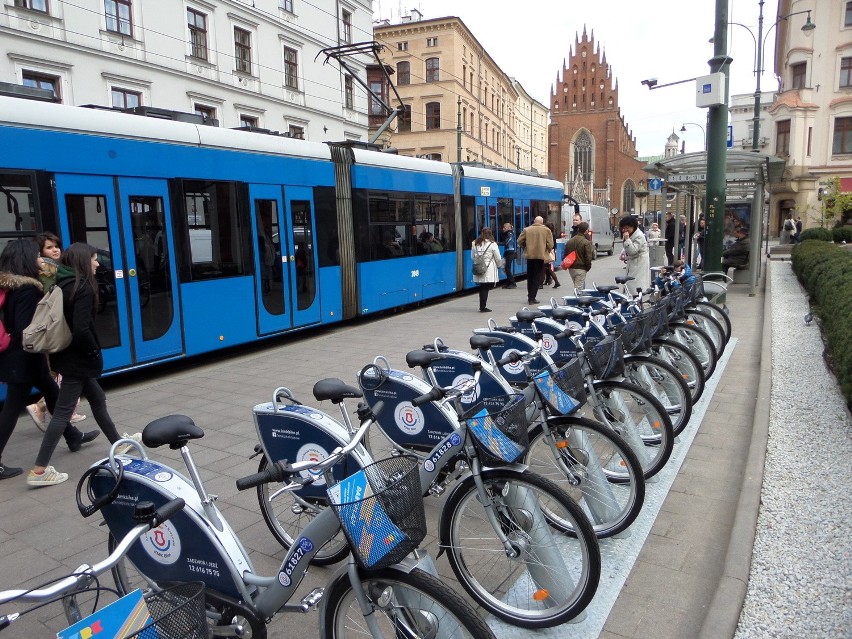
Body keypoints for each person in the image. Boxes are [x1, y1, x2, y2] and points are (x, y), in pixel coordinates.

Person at [28, 243, 140, 488]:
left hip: (65, 355)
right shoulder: (84, 288)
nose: (97, 263)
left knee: (98, 399)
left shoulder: (62, 283)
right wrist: (92, 352)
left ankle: (117, 444)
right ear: (83, 262)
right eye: (94, 259)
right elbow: (81, 328)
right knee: (61, 414)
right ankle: (39, 470)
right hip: (77, 359)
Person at [0, 240, 99, 480]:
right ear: (24, 258)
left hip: (22, 357)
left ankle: (73, 436)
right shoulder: (26, 289)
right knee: (12, 407)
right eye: (35, 256)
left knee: (53, 393)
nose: (40, 260)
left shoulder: (12, 286)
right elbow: (27, 328)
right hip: (22, 357)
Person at [27, 232, 87, 429]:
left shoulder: (50, 269)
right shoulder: (49, 270)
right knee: (59, 373)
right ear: (40, 252)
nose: (55, 250)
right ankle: (43, 407)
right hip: (53, 329)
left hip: (50, 328)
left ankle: (58, 414)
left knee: (56, 374)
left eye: (56, 246)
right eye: (49, 247)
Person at [517, 215, 553, 305]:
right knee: (537, 277)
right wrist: (546, 250)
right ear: (542, 222)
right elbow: (550, 244)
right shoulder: (546, 230)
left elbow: (519, 241)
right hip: (540, 256)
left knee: (530, 276)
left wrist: (525, 247)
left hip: (530, 256)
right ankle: (532, 298)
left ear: (534, 221)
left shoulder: (527, 230)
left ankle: (530, 295)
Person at [471, 227, 502, 313]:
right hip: (489, 268)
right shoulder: (493, 244)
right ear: (491, 234)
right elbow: (498, 258)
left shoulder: (474, 243)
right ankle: (483, 307)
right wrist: (499, 265)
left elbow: (472, 257)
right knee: (485, 287)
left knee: (482, 286)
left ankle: (482, 305)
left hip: (479, 266)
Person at [619, 216, 650, 294]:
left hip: (639, 262)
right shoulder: (631, 233)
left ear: (633, 226)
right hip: (633, 262)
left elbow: (632, 250)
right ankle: (629, 295)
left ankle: (636, 299)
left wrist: (627, 239)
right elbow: (627, 246)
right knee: (630, 281)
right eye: (624, 228)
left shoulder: (639, 236)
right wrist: (623, 252)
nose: (625, 230)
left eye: (627, 228)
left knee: (635, 282)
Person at [562, 221, 594, 290]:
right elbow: (588, 257)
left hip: (571, 268)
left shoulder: (569, 241)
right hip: (581, 268)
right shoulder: (586, 242)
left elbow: (565, 254)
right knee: (578, 290)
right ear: (586, 231)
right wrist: (587, 268)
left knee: (577, 286)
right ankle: (575, 300)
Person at [542, 222, 561, 289]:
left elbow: (550, 244)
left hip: (548, 253)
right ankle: (549, 280)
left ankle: (556, 282)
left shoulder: (549, 234)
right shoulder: (553, 234)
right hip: (551, 252)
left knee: (547, 268)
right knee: (547, 268)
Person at [501, 222, 517, 289]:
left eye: (504, 227)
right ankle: (508, 283)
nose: (503, 229)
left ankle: (513, 283)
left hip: (510, 252)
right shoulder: (509, 233)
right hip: (508, 252)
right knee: (506, 268)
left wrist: (498, 243)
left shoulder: (509, 234)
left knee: (507, 268)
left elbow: (507, 242)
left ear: (508, 227)